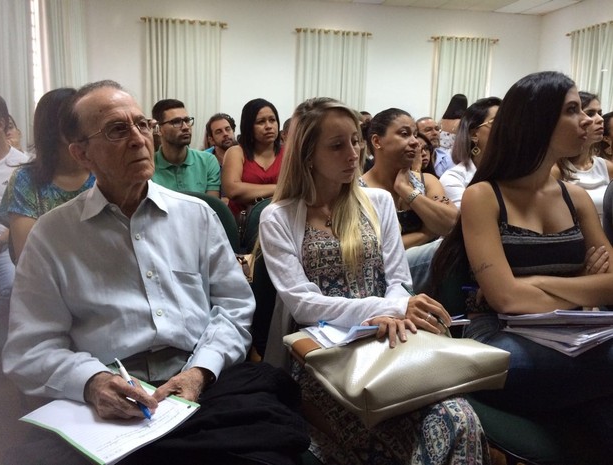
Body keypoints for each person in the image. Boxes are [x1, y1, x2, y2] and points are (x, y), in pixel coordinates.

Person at [2, 81, 309, 465]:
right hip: (109, 400)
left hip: (201, 385)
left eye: (142, 124)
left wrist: (200, 371)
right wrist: (92, 382)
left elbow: (233, 306)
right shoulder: (52, 236)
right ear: (82, 154)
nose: (138, 138)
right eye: (117, 130)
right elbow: (29, 348)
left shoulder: (196, 216)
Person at [259, 97, 490, 465]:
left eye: (355, 141)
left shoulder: (378, 201)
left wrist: (397, 311)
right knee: (378, 441)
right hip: (325, 358)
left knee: (458, 419)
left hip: (390, 341)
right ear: (307, 155)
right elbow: (303, 305)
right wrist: (390, 307)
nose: (353, 154)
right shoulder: (278, 217)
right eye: (337, 146)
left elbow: (398, 279)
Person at [430, 71, 613, 463]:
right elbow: (506, 299)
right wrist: (583, 282)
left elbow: (611, 284)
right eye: (572, 110)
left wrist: (539, 283)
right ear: (537, 120)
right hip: (499, 339)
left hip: (574, 337)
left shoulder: (577, 198)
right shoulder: (484, 196)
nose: (586, 120)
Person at [362, 108, 458, 291]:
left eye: (415, 135)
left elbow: (452, 224)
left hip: (432, 275)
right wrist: (427, 233)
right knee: (444, 251)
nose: (415, 142)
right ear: (377, 141)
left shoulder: (426, 181)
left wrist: (407, 191)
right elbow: (377, 250)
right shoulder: (360, 191)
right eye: (404, 134)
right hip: (382, 276)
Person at [0, 88, 95, 262]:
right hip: (51, 281)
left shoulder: (101, 171)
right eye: (75, 119)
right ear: (52, 128)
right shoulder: (26, 179)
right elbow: (28, 258)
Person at [0, 94, 28, 339]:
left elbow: (20, 216)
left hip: (3, 245)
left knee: (12, 287)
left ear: (3, 123)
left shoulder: (21, 165)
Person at [552, 91, 613, 221]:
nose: (600, 119)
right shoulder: (556, 170)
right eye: (591, 113)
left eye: (600, 113)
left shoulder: (607, 167)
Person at [222, 98, 283, 219]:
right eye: (261, 122)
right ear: (248, 126)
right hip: (242, 225)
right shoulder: (236, 152)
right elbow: (233, 191)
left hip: (280, 221)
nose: (268, 126)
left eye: (272, 120)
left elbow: (299, 189)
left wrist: (251, 191)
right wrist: (280, 188)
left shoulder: (289, 153)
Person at [439, 97, 501, 209]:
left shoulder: (517, 175)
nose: (506, 128)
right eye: (497, 122)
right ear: (473, 134)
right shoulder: (454, 178)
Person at [151, 99, 221, 197]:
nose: (185, 127)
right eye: (176, 122)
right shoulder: (148, 167)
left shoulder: (207, 161)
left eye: (187, 121)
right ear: (158, 129)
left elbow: (211, 208)